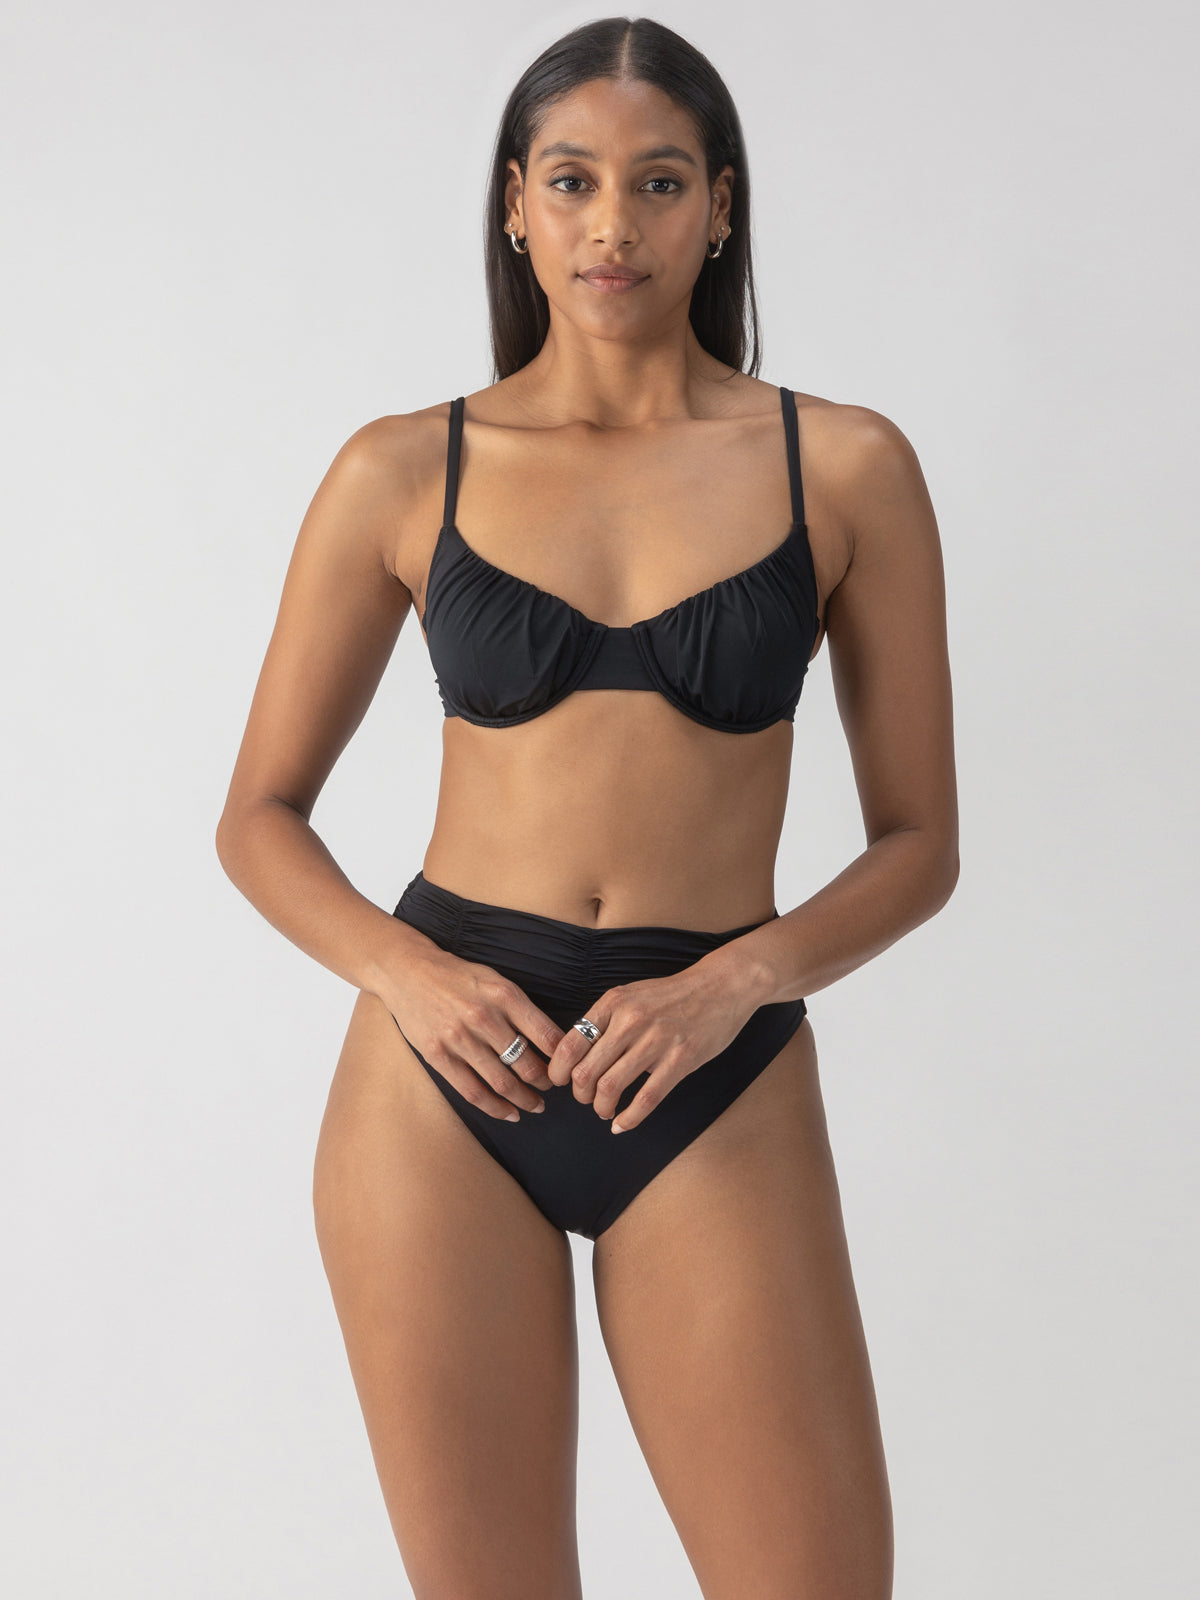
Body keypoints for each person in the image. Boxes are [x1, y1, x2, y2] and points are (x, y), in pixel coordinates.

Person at [215, 16, 958, 1599]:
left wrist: (740, 981)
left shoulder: (844, 467)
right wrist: (407, 976)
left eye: (659, 181)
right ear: (516, 205)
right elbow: (259, 814)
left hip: (713, 1060)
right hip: (444, 1078)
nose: (614, 225)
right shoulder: (403, 470)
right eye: (572, 181)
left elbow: (920, 844)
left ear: (721, 208)